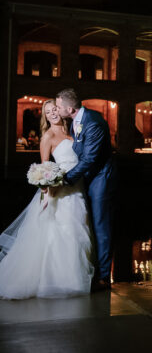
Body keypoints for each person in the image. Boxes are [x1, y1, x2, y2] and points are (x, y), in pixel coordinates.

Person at [0, 100, 94, 299]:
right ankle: (57, 281)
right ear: (45, 116)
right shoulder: (48, 136)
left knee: (80, 228)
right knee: (63, 230)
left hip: (78, 188)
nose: (52, 114)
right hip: (60, 191)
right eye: (48, 112)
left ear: (60, 111)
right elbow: (44, 169)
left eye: (54, 110)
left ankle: (74, 279)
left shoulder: (73, 132)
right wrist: (46, 193)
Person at [56, 88, 117, 291]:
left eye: (58, 106)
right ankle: (88, 271)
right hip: (86, 179)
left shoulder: (93, 122)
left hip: (100, 179)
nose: (56, 110)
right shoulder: (76, 120)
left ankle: (103, 277)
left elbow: (90, 158)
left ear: (69, 108)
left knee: (101, 227)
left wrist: (65, 180)